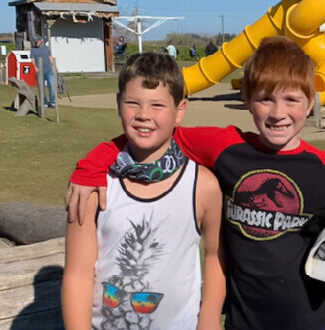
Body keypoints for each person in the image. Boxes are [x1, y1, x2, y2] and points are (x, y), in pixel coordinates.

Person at [65, 36, 325, 330]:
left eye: (292, 99)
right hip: (243, 321)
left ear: (311, 102)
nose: (278, 113)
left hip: (312, 321)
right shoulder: (225, 147)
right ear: (248, 101)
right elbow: (153, 134)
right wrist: (92, 164)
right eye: (265, 99)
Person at [61, 52, 225, 330]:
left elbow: (214, 256)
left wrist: (208, 320)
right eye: (133, 103)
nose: (143, 115)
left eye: (158, 105)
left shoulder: (203, 186)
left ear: (180, 111)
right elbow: (77, 274)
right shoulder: (92, 185)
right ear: (118, 103)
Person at [29, 35, 57, 108]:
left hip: (48, 70)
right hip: (40, 72)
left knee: (52, 86)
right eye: (35, 42)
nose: (36, 43)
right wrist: (35, 67)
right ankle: (44, 102)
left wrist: (54, 66)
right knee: (41, 88)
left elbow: (50, 57)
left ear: (41, 41)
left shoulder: (47, 48)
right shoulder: (33, 50)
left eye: (37, 41)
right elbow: (32, 59)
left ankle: (52, 102)